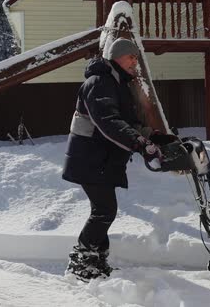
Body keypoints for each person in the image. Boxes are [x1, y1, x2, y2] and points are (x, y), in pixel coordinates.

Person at [62, 38, 162, 282]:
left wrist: (153, 137)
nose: (134, 62)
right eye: (131, 57)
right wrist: (139, 143)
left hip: (100, 160)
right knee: (105, 210)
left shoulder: (116, 83)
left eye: (136, 58)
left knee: (103, 210)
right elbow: (109, 123)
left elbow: (126, 122)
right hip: (90, 159)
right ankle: (82, 263)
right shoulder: (99, 83)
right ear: (117, 56)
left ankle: (95, 262)